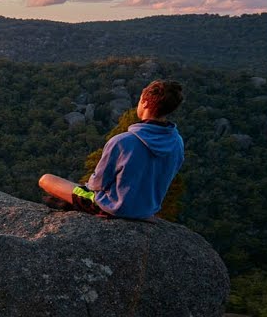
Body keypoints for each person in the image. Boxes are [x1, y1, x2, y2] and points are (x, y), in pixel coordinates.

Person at [39, 79, 185, 221]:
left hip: (113, 208)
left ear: (145, 102)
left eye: (140, 100)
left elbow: (96, 185)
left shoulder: (123, 141)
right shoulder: (177, 143)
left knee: (46, 179)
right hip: (146, 211)